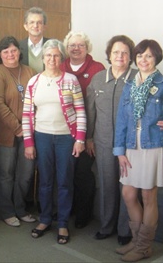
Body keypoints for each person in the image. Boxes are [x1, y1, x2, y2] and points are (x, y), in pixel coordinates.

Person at [113, 39, 163, 262]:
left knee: (148, 195)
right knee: (128, 193)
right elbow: (122, 119)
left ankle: (143, 247)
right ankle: (137, 239)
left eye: (149, 56)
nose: (144, 60)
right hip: (132, 146)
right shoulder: (130, 85)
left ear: (156, 59)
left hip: (154, 146)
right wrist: (120, 150)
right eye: (140, 55)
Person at [23, 39, 87, 244]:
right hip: (41, 136)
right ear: (43, 58)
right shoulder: (34, 82)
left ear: (61, 57)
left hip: (66, 138)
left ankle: (62, 223)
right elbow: (26, 114)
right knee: (45, 180)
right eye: (48, 55)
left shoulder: (71, 80)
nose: (52, 59)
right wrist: (28, 142)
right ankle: (44, 219)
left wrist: (80, 139)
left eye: (56, 55)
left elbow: (80, 110)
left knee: (65, 181)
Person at [86, 35, 136, 244]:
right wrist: (89, 137)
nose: (120, 56)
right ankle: (106, 226)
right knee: (106, 184)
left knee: (127, 186)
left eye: (124, 52)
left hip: (130, 145)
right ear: (109, 55)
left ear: (130, 56)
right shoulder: (98, 79)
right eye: (116, 52)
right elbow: (90, 111)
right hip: (103, 142)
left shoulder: (138, 78)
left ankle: (125, 230)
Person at [0, 36, 37, 227]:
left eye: (13, 50)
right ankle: (7, 211)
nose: (10, 54)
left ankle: (20, 208)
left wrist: (27, 130)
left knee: (25, 173)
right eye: (5, 52)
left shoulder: (30, 72)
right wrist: (17, 128)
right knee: (6, 174)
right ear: (0, 55)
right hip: (5, 135)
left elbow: (36, 100)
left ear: (19, 52)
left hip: (29, 135)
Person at [60, 31, 105, 229]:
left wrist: (90, 137)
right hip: (62, 131)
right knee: (65, 173)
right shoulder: (60, 67)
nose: (76, 48)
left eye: (80, 45)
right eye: (72, 45)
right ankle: (66, 209)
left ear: (87, 48)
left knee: (82, 173)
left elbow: (99, 107)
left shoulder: (98, 69)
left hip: (88, 132)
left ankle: (83, 213)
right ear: (66, 48)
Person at [19, 7, 49, 73]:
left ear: (44, 26)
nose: (35, 26)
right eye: (32, 22)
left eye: (39, 22)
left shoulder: (52, 46)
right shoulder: (18, 47)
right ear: (25, 26)